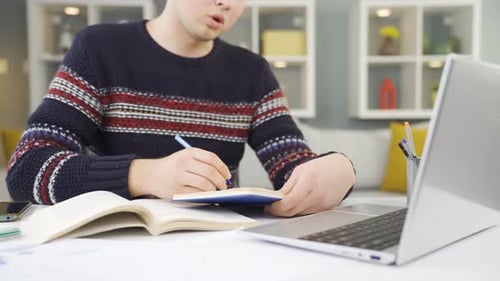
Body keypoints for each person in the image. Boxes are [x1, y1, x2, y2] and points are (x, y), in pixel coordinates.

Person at [6, 0, 355, 217]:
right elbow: (25, 169)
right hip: (114, 252)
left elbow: (292, 165)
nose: (227, 3)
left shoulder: (252, 72)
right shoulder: (99, 49)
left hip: (222, 252)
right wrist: (146, 175)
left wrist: (338, 170)